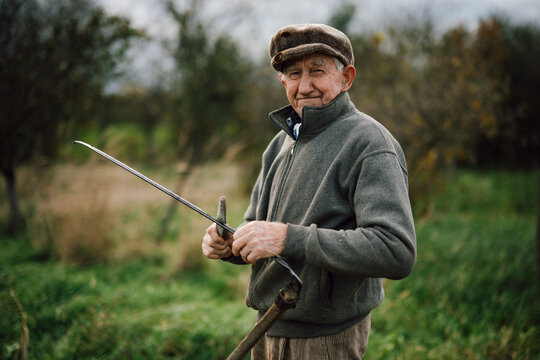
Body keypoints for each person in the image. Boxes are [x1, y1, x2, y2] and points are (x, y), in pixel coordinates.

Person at [202, 23, 416, 359]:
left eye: (317, 71)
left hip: (327, 339)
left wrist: (288, 238)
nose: (304, 86)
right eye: (293, 73)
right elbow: (258, 231)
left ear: (346, 77)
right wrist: (229, 244)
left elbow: (396, 251)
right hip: (267, 326)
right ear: (282, 80)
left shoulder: (370, 143)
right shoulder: (279, 145)